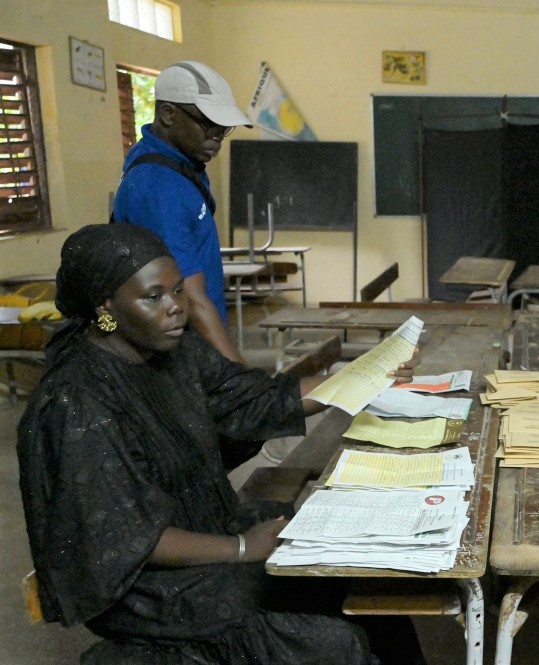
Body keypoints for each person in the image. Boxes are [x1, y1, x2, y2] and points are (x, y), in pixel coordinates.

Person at [17, 224, 423, 664]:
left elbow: (258, 398)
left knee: (362, 582)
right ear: (106, 308)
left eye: (177, 291)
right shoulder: (76, 402)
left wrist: (361, 376)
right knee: (328, 641)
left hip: (208, 530)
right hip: (142, 587)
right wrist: (243, 548)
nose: (175, 308)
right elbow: (128, 538)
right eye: (153, 297)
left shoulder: (175, 353)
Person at [113, 60, 251, 363]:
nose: (216, 139)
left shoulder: (180, 164)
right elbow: (190, 296)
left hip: (190, 340)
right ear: (168, 114)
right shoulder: (159, 186)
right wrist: (240, 377)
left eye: (223, 130)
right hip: (178, 348)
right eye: (209, 126)